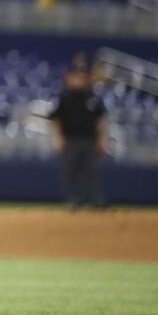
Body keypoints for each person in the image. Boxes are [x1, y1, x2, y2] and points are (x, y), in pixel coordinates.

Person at [48, 54, 108, 209]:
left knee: (91, 172)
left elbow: (100, 120)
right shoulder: (64, 97)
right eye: (76, 75)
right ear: (70, 77)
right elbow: (56, 119)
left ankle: (97, 201)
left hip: (89, 140)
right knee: (69, 172)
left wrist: (101, 140)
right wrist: (58, 138)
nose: (79, 79)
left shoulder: (92, 97)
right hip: (71, 140)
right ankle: (72, 201)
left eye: (82, 76)